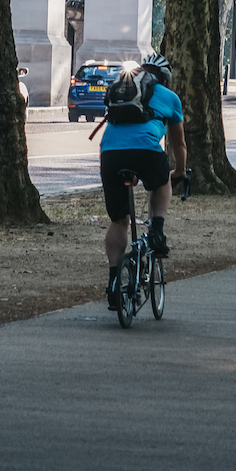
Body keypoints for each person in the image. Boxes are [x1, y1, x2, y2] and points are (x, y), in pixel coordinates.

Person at [99, 52, 187, 310]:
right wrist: (180, 171)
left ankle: (115, 281)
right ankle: (157, 231)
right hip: (147, 151)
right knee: (162, 182)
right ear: (165, 78)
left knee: (119, 220)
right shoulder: (170, 97)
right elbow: (178, 143)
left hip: (110, 153)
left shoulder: (122, 91)